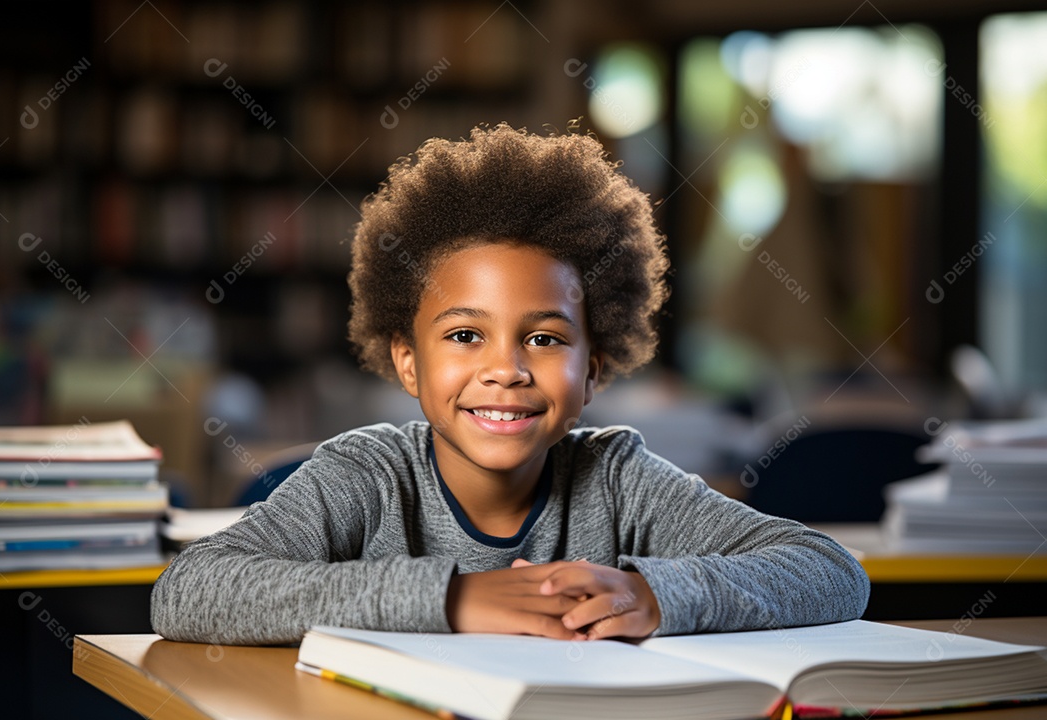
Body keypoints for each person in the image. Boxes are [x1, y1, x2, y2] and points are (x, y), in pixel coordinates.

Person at [151, 123, 869, 646]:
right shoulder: (365, 477)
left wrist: (655, 594)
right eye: (465, 335)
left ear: (593, 369)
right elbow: (190, 590)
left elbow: (830, 570)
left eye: (545, 339)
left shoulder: (619, 479)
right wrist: (453, 599)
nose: (507, 369)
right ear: (408, 361)